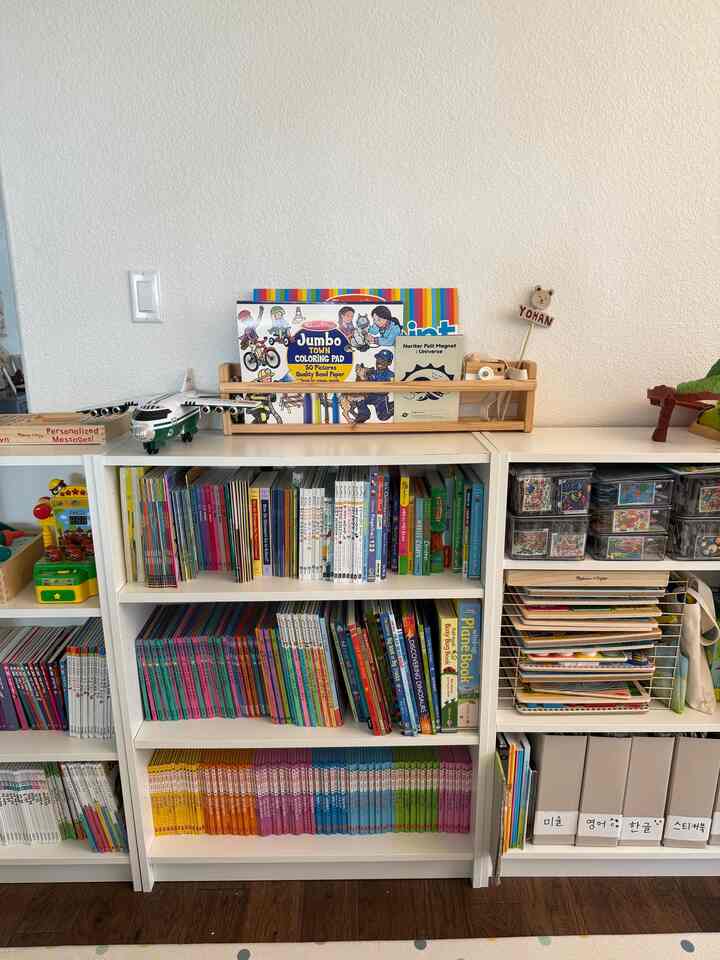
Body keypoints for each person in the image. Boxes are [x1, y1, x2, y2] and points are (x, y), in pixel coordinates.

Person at [352, 349, 394, 422]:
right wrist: (360, 375)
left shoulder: (390, 375)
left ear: (389, 363)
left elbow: (384, 391)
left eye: (384, 360)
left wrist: (368, 383)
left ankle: (393, 406)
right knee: (358, 397)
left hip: (381, 398)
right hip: (370, 395)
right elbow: (360, 384)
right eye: (378, 359)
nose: (380, 362)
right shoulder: (371, 372)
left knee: (383, 417)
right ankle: (364, 414)